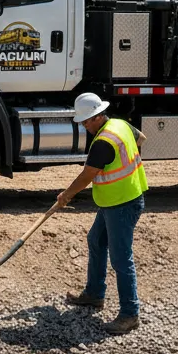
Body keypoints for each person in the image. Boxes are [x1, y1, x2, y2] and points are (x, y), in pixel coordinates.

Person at [57, 92, 147, 334]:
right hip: (117, 200)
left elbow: (87, 176)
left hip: (122, 203)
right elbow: (141, 139)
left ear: (98, 116)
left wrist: (66, 195)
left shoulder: (103, 143)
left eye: (87, 121)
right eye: (83, 122)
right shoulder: (120, 125)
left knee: (120, 259)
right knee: (96, 240)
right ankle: (94, 294)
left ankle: (130, 314)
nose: (85, 126)